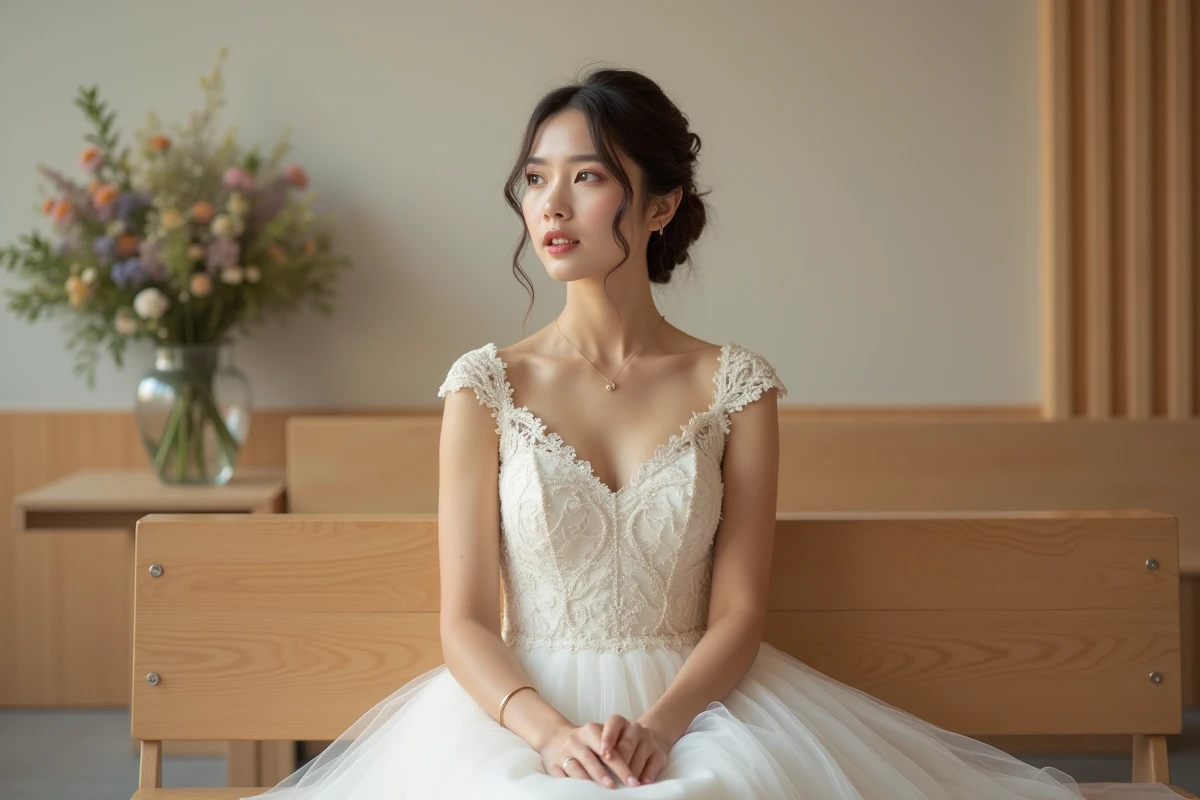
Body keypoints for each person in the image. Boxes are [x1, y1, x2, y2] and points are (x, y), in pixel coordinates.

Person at [245, 67, 1182, 798]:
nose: (552, 206)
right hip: (515, 716)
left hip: (704, 709)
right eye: (535, 179)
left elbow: (739, 612)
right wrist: (550, 737)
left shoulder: (735, 385)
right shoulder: (484, 385)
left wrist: (659, 727)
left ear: (658, 207)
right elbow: (461, 619)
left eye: (588, 177)